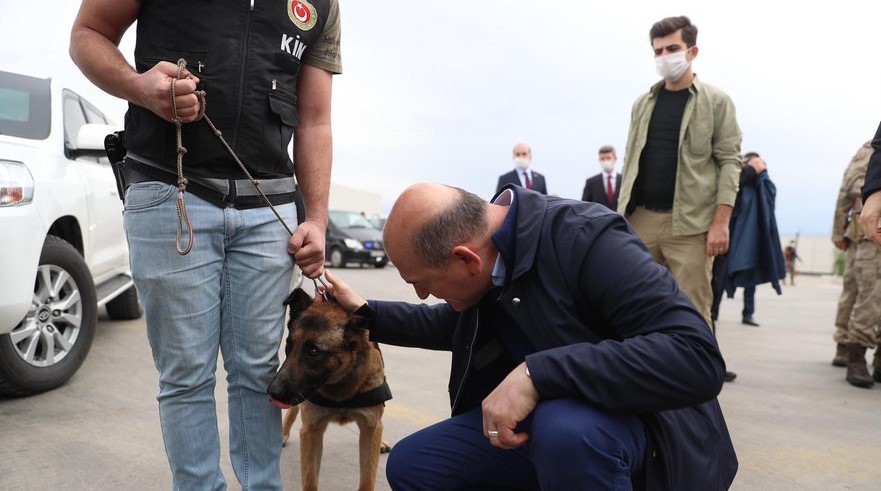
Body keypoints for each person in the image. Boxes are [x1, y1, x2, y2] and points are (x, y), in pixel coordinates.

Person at [69, 1, 341, 488]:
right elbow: (88, 33)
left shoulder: (322, 4)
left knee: (260, 371)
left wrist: (316, 218)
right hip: (171, 191)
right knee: (186, 373)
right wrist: (139, 88)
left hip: (268, 209)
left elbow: (315, 119)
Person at [322, 182, 737, 490]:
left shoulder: (587, 239)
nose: (422, 294)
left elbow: (695, 357)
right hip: (559, 427)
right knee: (417, 464)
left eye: (423, 282)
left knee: (566, 431)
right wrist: (366, 312)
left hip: (647, 435)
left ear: (465, 259)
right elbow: (453, 325)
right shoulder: (489, 258)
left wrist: (537, 374)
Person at [617, 16, 741, 330]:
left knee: (694, 310)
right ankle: (639, 374)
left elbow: (730, 161)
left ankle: (697, 377)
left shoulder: (716, 102)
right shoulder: (642, 104)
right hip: (640, 221)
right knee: (630, 304)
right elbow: (630, 163)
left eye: (672, 48)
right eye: (657, 51)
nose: (664, 57)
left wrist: (721, 222)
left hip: (690, 225)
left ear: (692, 51)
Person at [711, 152, 785, 330]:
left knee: (750, 276)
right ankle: (713, 312)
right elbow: (731, 190)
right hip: (731, 233)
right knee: (720, 274)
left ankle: (748, 313)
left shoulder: (763, 185)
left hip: (752, 236)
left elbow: (769, 204)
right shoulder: (740, 180)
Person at [831, 141, 880, 387]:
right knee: (866, 293)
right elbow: (847, 192)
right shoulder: (871, 149)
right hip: (869, 230)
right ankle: (853, 351)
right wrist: (839, 231)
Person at [581, 145, 621, 210]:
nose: (605, 161)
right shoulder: (591, 182)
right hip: (599, 219)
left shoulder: (624, 181)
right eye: (602, 159)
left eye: (608, 158)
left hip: (620, 218)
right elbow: (584, 206)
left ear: (615, 159)